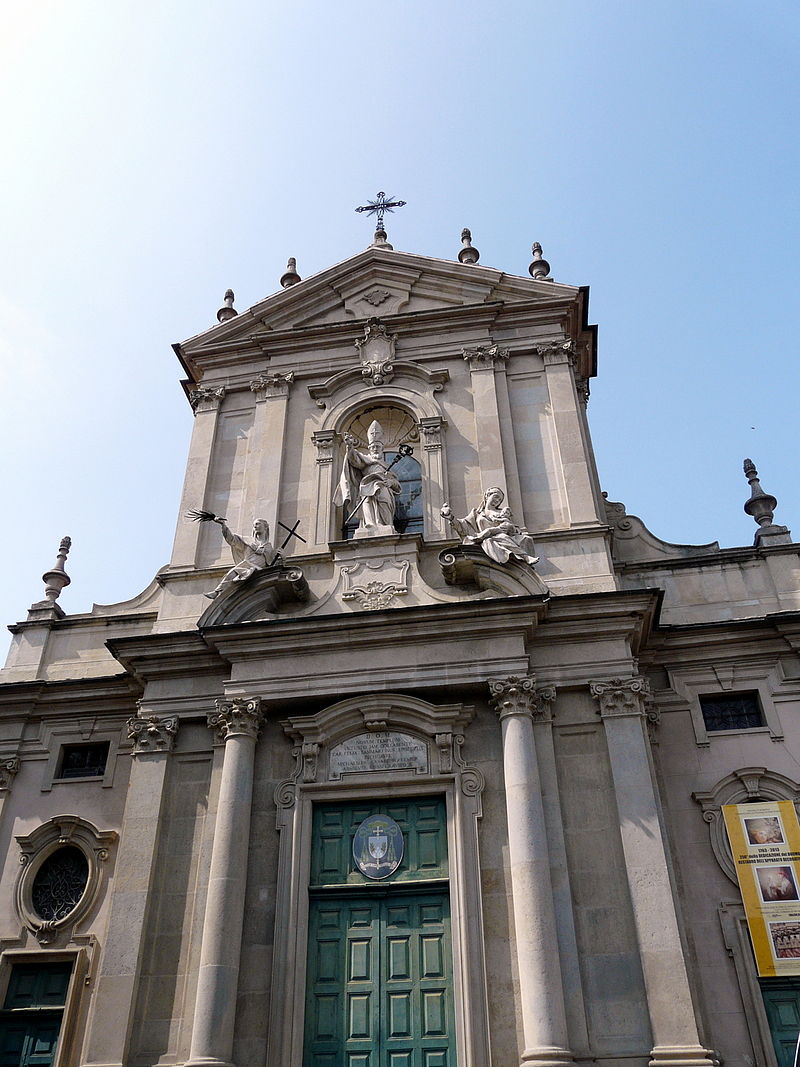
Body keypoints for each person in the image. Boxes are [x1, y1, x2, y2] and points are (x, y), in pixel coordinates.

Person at [333, 420, 401, 535]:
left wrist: (390, 482)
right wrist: (350, 446)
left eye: (378, 446)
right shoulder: (365, 459)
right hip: (366, 487)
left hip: (383, 488)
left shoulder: (387, 467)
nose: (375, 449)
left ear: (382, 448)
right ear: (369, 448)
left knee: (384, 501)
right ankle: (370, 525)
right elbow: (354, 460)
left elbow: (397, 486)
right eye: (373, 446)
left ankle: (385, 524)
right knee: (367, 503)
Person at [441, 487, 538, 566]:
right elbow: (462, 526)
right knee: (489, 541)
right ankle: (524, 557)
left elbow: (513, 528)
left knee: (501, 537)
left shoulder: (501, 512)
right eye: (496, 497)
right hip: (484, 539)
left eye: (500, 500)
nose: (497, 501)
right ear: (487, 496)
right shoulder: (477, 513)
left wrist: (510, 528)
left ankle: (525, 557)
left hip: (499, 535)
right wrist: (450, 517)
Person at [204, 517, 276, 599]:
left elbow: (273, 564)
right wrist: (223, 525)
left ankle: (220, 593)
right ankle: (218, 592)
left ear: (265, 527)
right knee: (232, 573)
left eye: (257, 524)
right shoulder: (248, 541)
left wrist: (282, 557)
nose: (255, 526)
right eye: (254, 525)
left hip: (259, 571)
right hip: (246, 566)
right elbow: (232, 540)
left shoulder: (269, 548)